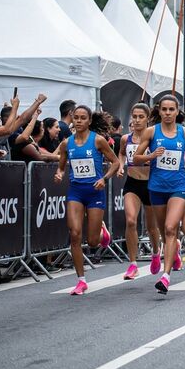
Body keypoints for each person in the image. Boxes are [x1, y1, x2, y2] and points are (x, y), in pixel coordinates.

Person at [132, 95, 185, 294]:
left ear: (177, 111)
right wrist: (151, 156)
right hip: (156, 188)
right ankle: (173, 250)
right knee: (164, 232)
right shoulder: (151, 132)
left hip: (179, 186)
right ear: (159, 111)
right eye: (164, 109)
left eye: (171, 109)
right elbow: (136, 158)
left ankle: (165, 276)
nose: (168, 113)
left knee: (171, 228)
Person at [54, 105, 119, 295]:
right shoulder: (67, 143)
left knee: (91, 241)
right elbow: (61, 166)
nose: (79, 121)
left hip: (94, 192)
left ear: (89, 121)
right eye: (76, 118)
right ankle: (81, 280)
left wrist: (104, 179)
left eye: (83, 118)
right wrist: (59, 174)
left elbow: (116, 162)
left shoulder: (98, 140)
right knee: (74, 234)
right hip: (76, 192)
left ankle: (102, 232)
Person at [117, 104, 162, 280]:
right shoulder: (125, 138)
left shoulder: (154, 138)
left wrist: (152, 159)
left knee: (152, 227)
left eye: (140, 117)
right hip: (132, 183)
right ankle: (133, 264)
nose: (136, 120)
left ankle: (156, 252)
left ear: (148, 118)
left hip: (151, 184)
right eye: (134, 116)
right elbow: (121, 154)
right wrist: (121, 166)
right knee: (130, 221)